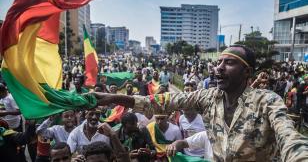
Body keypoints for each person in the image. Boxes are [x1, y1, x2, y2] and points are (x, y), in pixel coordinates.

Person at [92, 45, 308, 161]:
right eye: (219, 62)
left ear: (247, 72)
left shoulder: (267, 100)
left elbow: (289, 137)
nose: (219, 68)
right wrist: (113, 98)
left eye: (229, 63)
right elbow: (164, 102)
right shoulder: (209, 96)